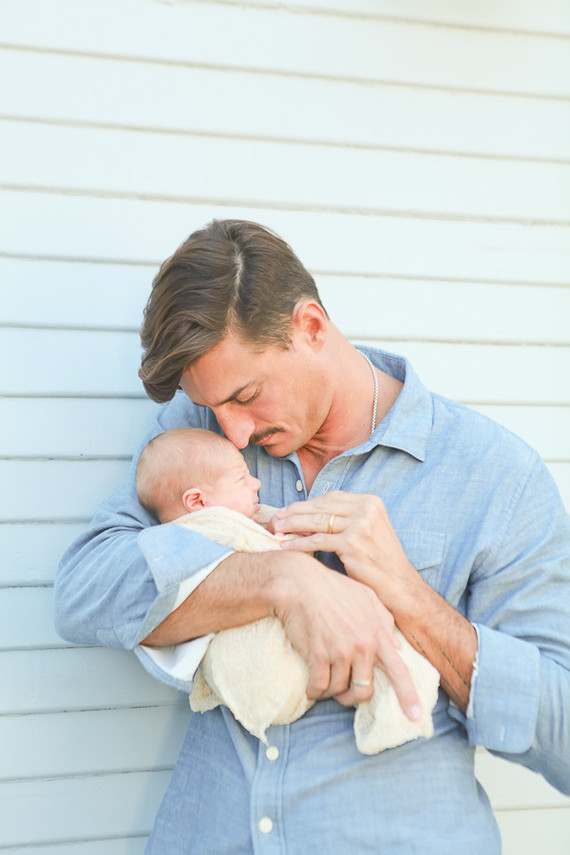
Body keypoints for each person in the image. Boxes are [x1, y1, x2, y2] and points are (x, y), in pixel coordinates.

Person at [54, 219, 570, 854]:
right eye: (217, 410)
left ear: (312, 329)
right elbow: (84, 591)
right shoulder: (204, 429)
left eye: (246, 397)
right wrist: (282, 580)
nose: (234, 435)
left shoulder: (495, 474)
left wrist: (407, 595)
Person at [135, 426, 439, 752]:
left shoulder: (180, 532)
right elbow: (256, 549)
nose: (256, 483)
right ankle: (397, 715)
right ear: (197, 501)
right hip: (263, 670)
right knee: (383, 645)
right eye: (242, 480)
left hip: (249, 692)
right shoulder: (205, 530)